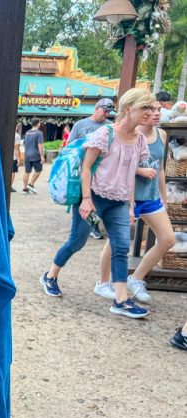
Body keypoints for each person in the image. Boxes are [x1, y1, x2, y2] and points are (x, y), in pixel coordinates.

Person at [40, 88, 155, 319]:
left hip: (119, 201)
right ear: (128, 109)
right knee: (77, 241)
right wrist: (86, 199)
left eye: (151, 108)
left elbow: (131, 172)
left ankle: (121, 300)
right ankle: (50, 275)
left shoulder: (140, 140)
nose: (150, 112)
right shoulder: (105, 133)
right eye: (145, 107)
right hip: (95, 196)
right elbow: (86, 167)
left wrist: (131, 204)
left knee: (121, 247)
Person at [95, 100, 175, 303]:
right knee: (115, 243)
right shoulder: (130, 133)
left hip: (150, 196)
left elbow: (160, 168)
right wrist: (140, 170)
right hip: (126, 196)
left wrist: (163, 196)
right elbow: (118, 163)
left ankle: (136, 278)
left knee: (167, 239)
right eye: (150, 109)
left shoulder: (162, 135)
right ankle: (103, 282)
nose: (156, 113)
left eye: (158, 110)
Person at [66, 98, 117, 239]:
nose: (106, 114)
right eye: (104, 111)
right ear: (96, 108)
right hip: (84, 168)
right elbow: (70, 145)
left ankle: (94, 227)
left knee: (97, 199)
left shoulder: (110, 126)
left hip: (102, 171)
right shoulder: (80, 125)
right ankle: (78, 230)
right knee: (81, 198)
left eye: (108, 112)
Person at [22, 119, 44, 194]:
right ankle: (31, 184)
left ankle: (25, 187)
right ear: (38, 124)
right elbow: (40, 145)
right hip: (35, 155)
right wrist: (42, 156)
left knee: (27, 171)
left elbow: (24, 143)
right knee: (39, 170)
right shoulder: (39, 133)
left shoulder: (27, 133)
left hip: (27, 155)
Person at [11, 124, 22, 192]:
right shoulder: (17, 136)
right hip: (13, 157)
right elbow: (16, 148)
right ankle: (9, 186)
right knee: (12, 172)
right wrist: (18, 158)